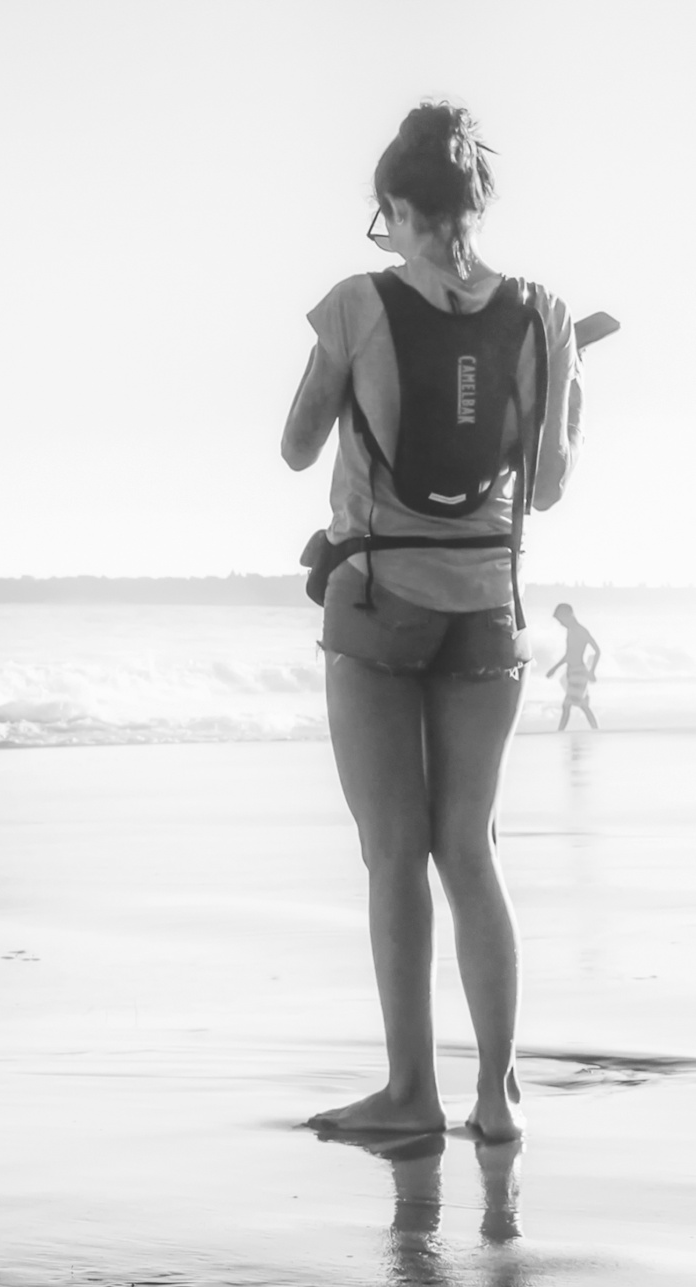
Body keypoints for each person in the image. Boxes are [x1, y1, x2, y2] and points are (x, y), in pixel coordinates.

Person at [282, 102, 580, 1145]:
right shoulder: (542, 315)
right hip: (489, 610)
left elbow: (296, 444)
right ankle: (497, 1097)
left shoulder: (357, 303)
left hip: (377, 601)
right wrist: (556, 375)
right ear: (475, 206)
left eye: (387, 219)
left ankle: (410, 1091)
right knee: (470, 848)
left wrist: (351, 373)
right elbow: (546, 486)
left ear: (399, 208)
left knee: (393, 851)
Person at [545, 602, 601, 730]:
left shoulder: (580, 631)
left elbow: (597, 650)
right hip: (572, 671)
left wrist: (592, 671)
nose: (560, 624)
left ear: (568, 616)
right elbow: (569, 654)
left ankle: (560, 732)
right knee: (581, 704)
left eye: (561, 620)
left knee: (568, 705)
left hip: (579, 672)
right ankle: (596, 730)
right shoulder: (570, 631)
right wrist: (554, 668)